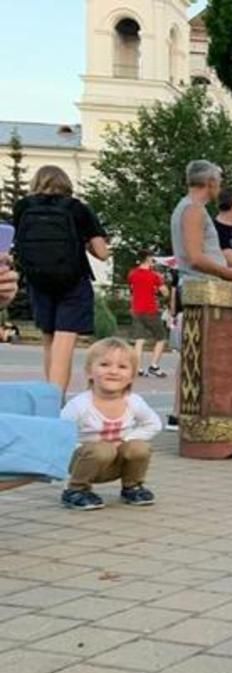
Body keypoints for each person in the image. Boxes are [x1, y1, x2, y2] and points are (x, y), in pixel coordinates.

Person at [12, 165, 110, 394]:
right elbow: (102, 253)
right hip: (72, 282)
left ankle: (49, 395)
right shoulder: (78, 208)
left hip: (38, 281)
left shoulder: (23, 207)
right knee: (64, 346)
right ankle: (55, 403)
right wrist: (84, 242)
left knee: (49, 343)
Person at [168, 160, 232, 429]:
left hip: (200, 287)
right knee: (199, 353)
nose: (220, 187)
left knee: (193, 352)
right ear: (210, 183)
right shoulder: (192, 210)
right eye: (219, 181)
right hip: (200, 288)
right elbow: (195, 257)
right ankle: (188, 412)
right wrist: (229, 273)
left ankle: (181, 412)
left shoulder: (190, 208)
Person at [59, 337, 162, 510]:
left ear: (131, 376)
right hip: (83, 462)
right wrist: (79, 448)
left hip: (116, 462)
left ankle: (132, 486)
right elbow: (59, 434)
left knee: (139, 447)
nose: (113, 371)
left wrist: (127, 440)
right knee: (102, 449)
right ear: (89, 372)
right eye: (105, 365)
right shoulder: (80, 405)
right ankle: (76, 489)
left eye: (122, 367)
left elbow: (153, 424)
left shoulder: (133, 402)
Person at [127, 251, 169, 377]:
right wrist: (158, 290)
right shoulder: (155, 276)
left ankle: (137, 368)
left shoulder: (132, 274)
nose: (153, 261)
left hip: (136, 309)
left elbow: (132, 290)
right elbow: (165, 292)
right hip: (151, 309)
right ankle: (154, 366)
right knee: (161, 338)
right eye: (152, 259)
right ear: (148, 259)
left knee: (139, 340)